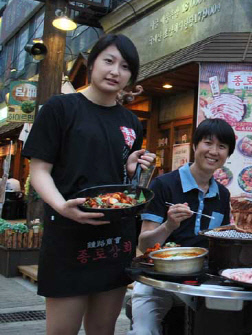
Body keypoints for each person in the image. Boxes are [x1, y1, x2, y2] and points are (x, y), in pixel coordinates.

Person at [22, 34, 155, 335]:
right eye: (109, 61)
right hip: (69, 234)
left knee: (103, 330)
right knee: (62, 331)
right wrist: (61, 206)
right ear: (92, 63)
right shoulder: (60, 108)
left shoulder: (132, 123)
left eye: (125, 67)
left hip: (115, 239)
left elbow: (122, 183)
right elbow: (39, 170)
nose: (115, 71)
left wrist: (130, 169)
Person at [129, 118, 236, 335]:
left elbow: (219, 245)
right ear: (195, 145)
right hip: (159, 279)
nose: (213, 151)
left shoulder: (223, 194)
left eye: (222, 146)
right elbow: (144, 244)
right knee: (144, 331)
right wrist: (169, 225)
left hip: (201, 281)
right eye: (208, 143)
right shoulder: (164, 184)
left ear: (228, 154)